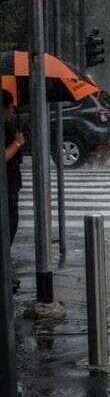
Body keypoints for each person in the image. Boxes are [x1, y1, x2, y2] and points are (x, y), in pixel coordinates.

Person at [3, 90, 25, 293]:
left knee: (10, 230)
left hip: (12, 186)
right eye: (10, 107)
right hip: (6, 188)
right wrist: (17, 144)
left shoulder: (9, 124)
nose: (12, 111)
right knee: (7, 232)